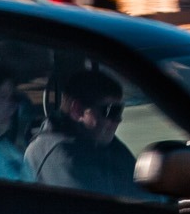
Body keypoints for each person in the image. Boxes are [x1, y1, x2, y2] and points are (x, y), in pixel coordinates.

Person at [25, 66, 138, 196]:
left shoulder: (105, 144)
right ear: (78, 110)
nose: (118, 120)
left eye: (120, 111)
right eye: (111, 111)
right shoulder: (62, 156)